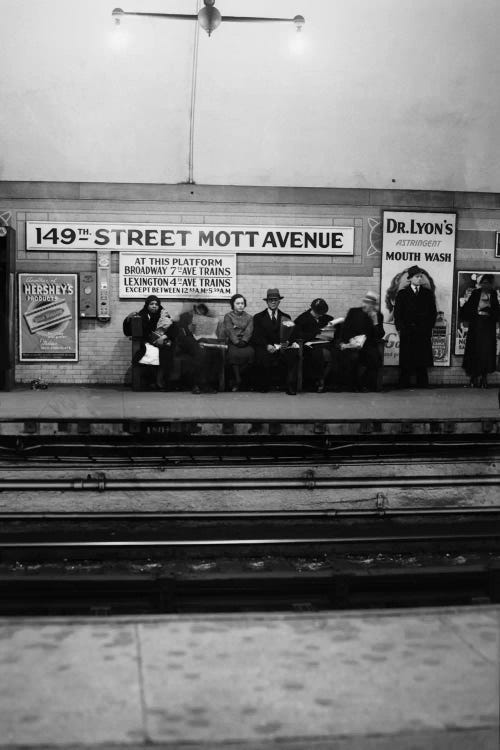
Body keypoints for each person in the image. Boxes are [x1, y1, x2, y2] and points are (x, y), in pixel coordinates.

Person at [394, 265, 437, 388]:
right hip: (407, 331)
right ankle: (404, 383)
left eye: (421, 276)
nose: (420, 279)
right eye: (417, 276)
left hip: (423, 332)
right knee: (407, 359)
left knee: (422, 360)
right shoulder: (402, 294)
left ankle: (422, 383)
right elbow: (397, 313)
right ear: (410, 279)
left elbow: (432, 313)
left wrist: (428, 328)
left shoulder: (427, 294)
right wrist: (401, 328)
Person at [251, 288, 299, 395]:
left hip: (282, 347)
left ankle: (291, 386)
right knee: (261, 355)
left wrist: (287, 343)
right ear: (267, 302)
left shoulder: (286, 317)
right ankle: (263, 385)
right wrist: (267, 345)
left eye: (275, 300)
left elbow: (291, 334)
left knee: (293, 354)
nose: (273, 302)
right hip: (266, 347)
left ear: (279, 301)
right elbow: (256, 336)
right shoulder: (258, 317)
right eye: (270, 300)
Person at [128, 295, 178, 390]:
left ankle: (163, 381)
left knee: (167, 350)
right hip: (148, 340)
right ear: (147, 305)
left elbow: (173, 327)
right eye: (152, 304)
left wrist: (164, 336)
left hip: (163, 340)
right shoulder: (142, 315)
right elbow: (137, 331)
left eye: (156, 304)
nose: (154, 306)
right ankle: (157, 381)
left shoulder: (163, 313)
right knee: (162, 351)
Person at [339, 292, 385, 391]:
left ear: (374, 305)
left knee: (375, 358)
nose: (366, 305)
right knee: (353, 357)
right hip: (352, 343)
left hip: (368, 344)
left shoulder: (378, 315)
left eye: (369, 303)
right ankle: (353, 385)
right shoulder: (354, 312)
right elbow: (345, 329)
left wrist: (375, 322)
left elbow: (380, 334)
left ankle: (364, 384)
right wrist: (350, 340)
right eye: (365, 302)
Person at [461, 274, 499, 388]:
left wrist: (490, 310)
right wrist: (476, 311)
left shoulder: (493, 294)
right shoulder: (476, 293)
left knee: (486, 352)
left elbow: (497, 311)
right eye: (484, 282)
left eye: (488, 283)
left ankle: (484, 377)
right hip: (476, 326)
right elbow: (467, 308)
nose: (485, 285)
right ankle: (474, 377)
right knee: (475, 350)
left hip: (488, 326)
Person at [177, 302, 222, 393]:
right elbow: (182, 334)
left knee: (216, 352)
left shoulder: (207, 317)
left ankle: (209, 383)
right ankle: (197, 384)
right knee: (200, 352)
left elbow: (211, 333)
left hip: (204, 340)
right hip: (189, 341)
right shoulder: (184, 316)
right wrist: (190, 330)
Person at [291, 298, 334, 392]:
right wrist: (315, 333)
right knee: (319, 354)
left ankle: (324, 380)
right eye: (318, 313)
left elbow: (332, 328)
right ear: (312, 309)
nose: (320, 315)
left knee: (336, 352)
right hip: (309, 345)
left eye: (322, 313)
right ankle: (319, 381)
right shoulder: (302, 319)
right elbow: (297, 335)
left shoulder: (326, 318)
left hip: (324, 343)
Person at [222, 294, 254, 391]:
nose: (240, 305)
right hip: (233, 342)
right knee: (233, 354)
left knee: (251, 353)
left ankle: (239, 380)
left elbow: (249, 330)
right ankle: (238, 380)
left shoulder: (249, 317)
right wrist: (236, 342)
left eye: (242, 303)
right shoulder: (228, 316)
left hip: (245, 342)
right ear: (233, 305)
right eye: (238, 303)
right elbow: (229, 330)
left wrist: (244, 341)